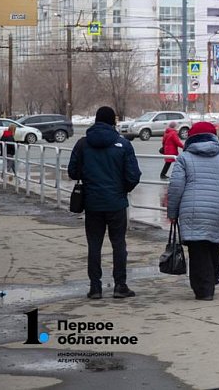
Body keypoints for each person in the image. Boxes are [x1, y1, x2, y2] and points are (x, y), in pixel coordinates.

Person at [68, 106, 142, 300]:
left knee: (94, 245)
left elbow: (72, 172)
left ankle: (95, 288)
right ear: (113, 122)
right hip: (116, 203)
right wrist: (122, 190)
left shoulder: (83, 144)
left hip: (92, 203)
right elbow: (133, 175)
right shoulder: (123, 144)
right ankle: (120, 285)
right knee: (119, 244)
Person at [167, 121, 219, 301]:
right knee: (213, 244)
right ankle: (213, 277)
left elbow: (176, 187)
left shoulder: (184, 159)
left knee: (197, 249)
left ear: (191, 138)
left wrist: (172, 213)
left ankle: (204, 289)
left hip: (193, 211)